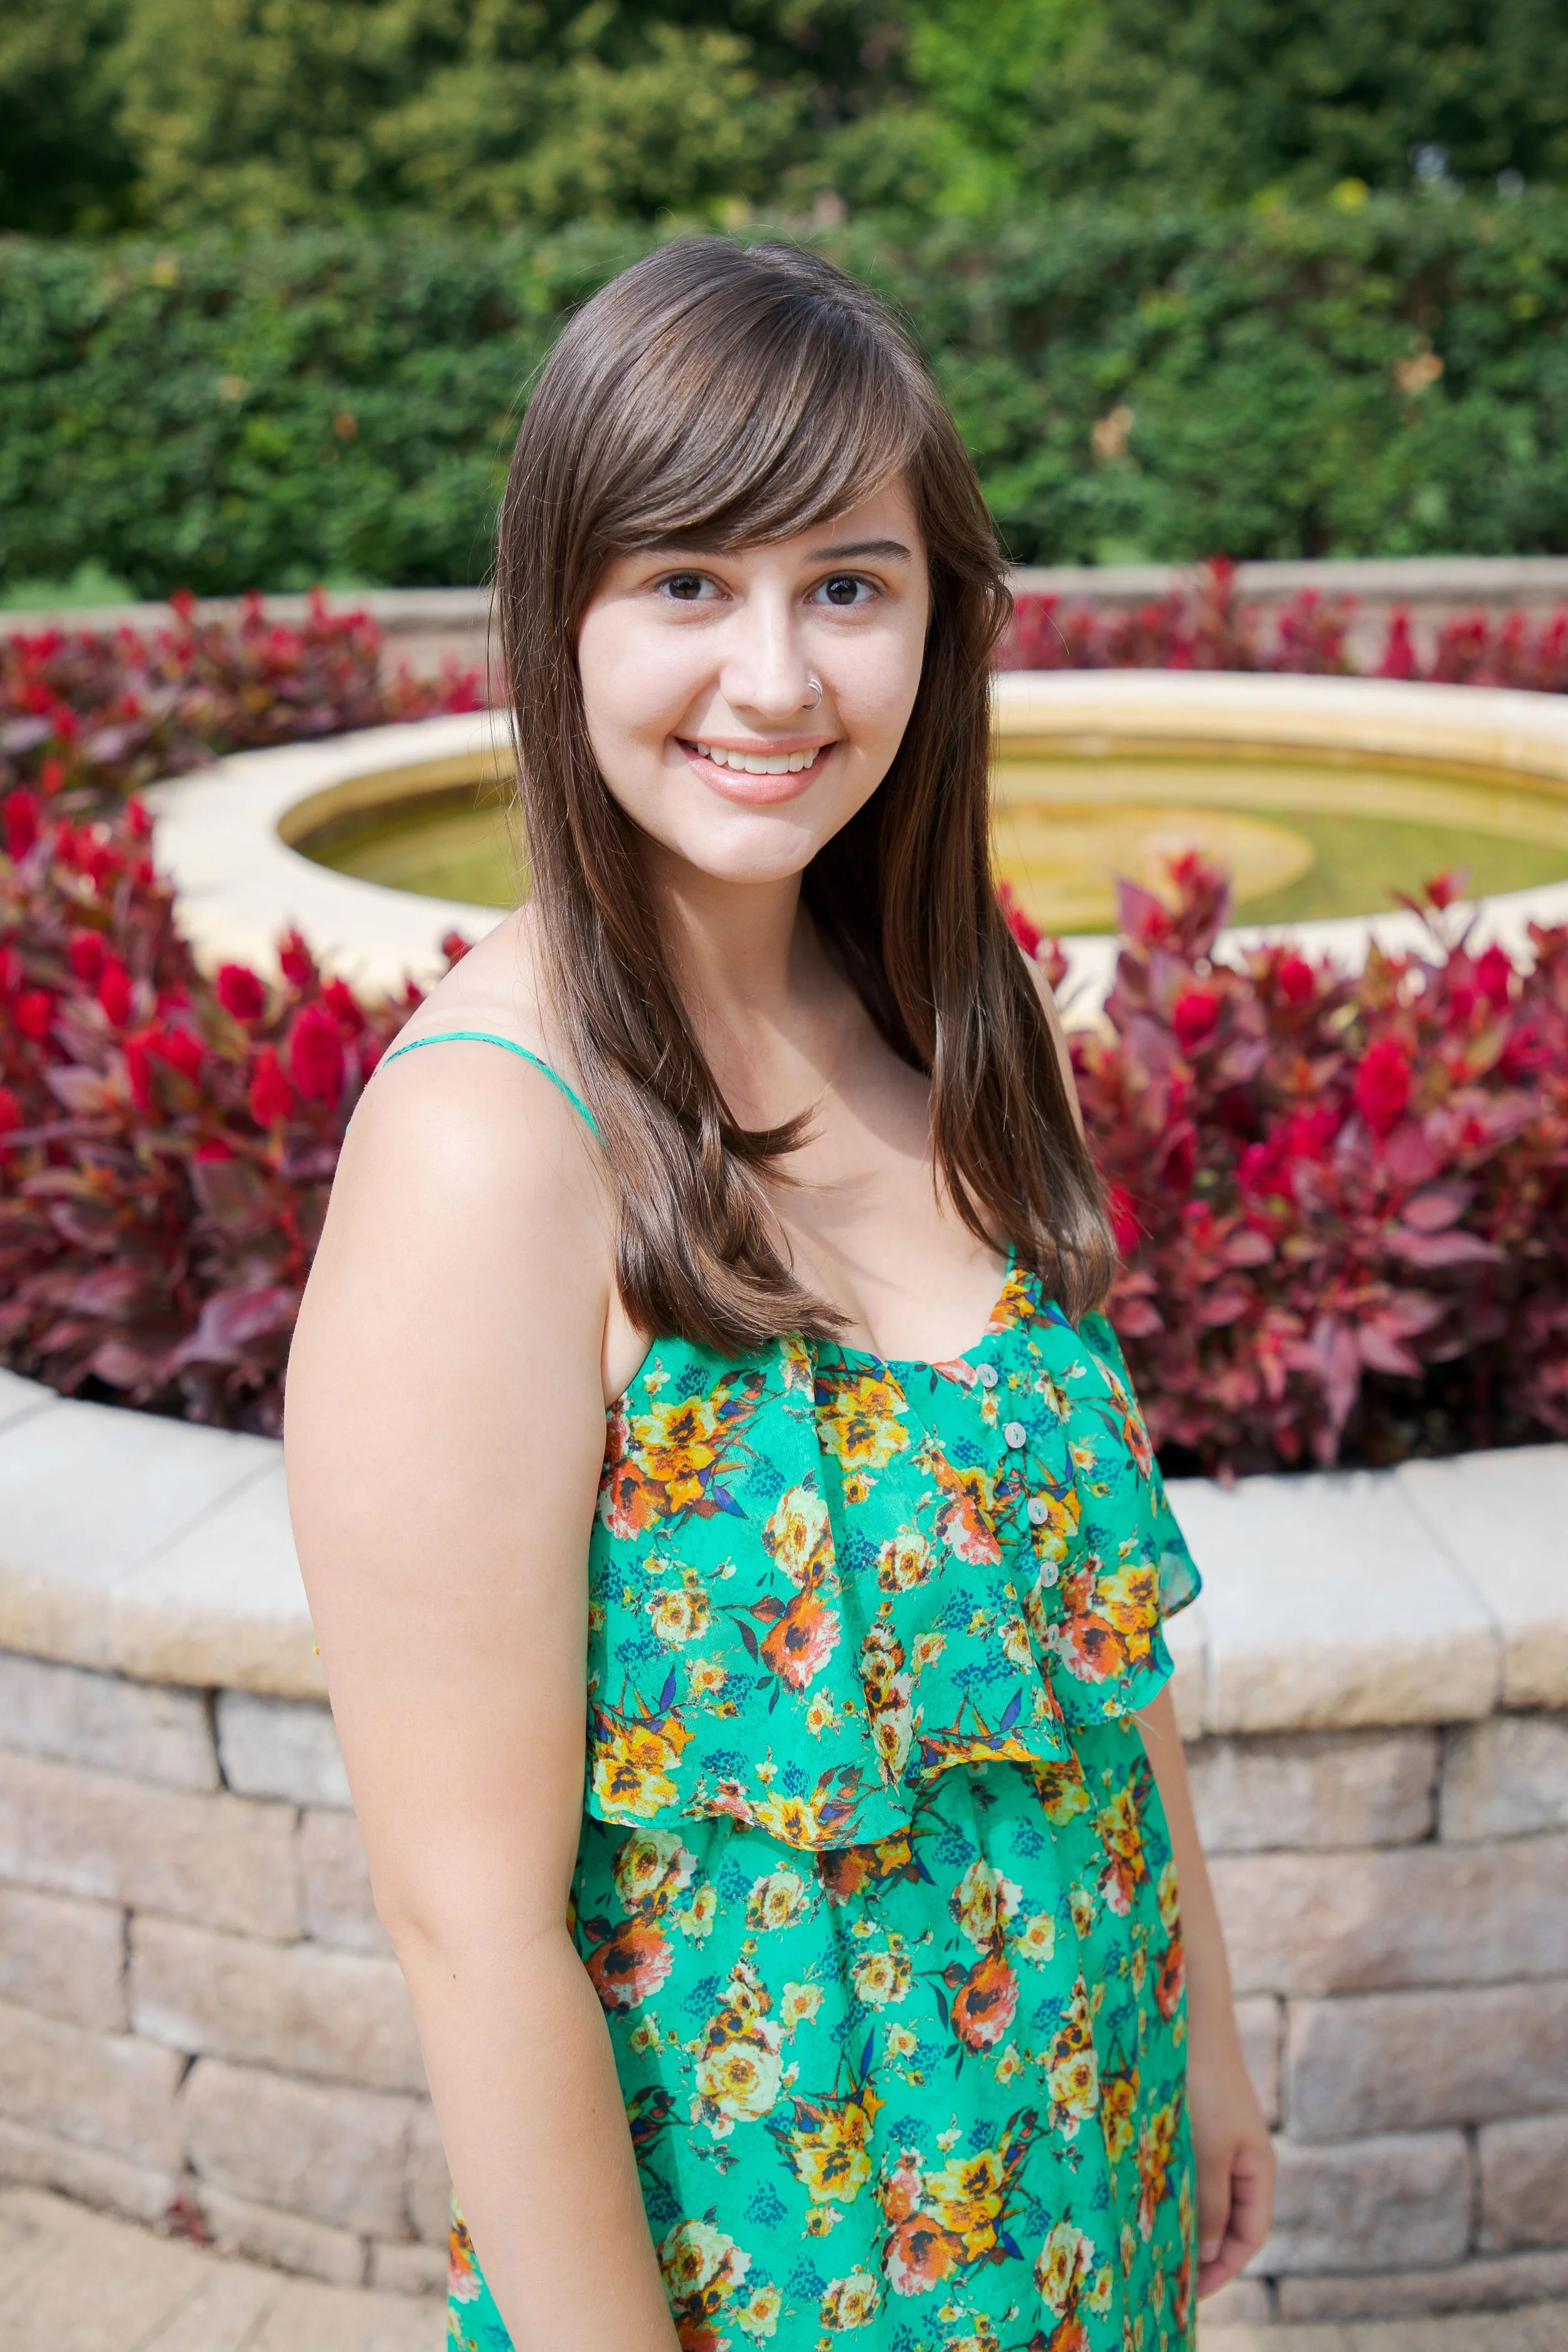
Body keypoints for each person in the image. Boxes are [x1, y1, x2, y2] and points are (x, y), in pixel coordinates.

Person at [285, 238, 1274, 2352]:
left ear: (937, 617)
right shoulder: (490, 1147)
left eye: (846, 582)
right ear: (559, 615)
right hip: (770, 2281)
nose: (774, 679)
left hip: (1078, 2195)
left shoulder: (946, 1012)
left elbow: (1084, 1628)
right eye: (683, 585)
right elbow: (468, 1922)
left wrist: (1199, 2019)